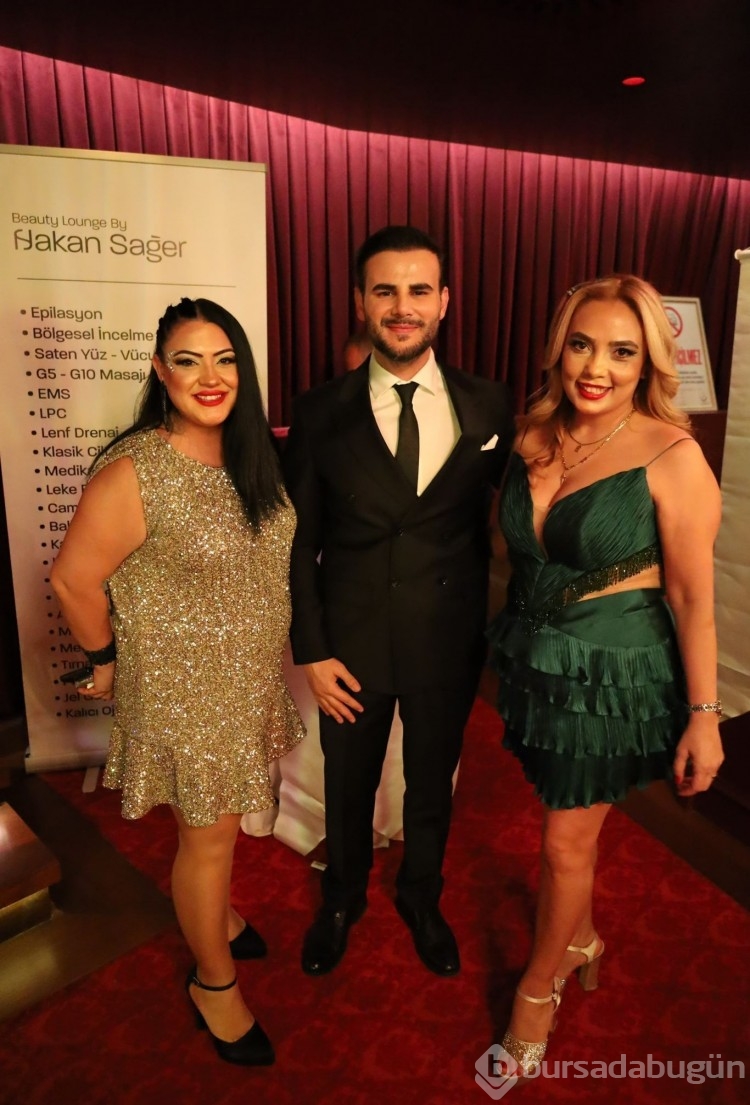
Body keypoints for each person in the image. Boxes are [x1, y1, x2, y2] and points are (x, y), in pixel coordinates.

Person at [50, 297, 305, 1066]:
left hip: (244, 678)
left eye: (225, 359)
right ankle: (213, 982)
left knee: (218, 829)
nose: (209, 376)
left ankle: (216, 919)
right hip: (187, 689)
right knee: (210, 837)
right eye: (189, 361)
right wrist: (104, 659)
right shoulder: (137, 470)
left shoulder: (250, 454)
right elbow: (72, 579)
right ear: (160, 372)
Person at [486, 275, 724, 1079]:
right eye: (583, 345)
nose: (597, 367)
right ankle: (582, 937)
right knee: (562, 818)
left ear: (648, 361)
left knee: (564, 841)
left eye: (623, 351)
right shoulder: (533, 434)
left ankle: (537, 991)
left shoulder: (673, 455)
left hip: (613, 675)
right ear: (560, 348)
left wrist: (704, 713)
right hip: (535, 663)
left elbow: (692, 598)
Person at [283, 225, 514, 977]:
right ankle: (342, 896)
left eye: (419, 290)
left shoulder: (490, 405)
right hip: (350, 644)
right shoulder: (320, 412)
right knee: (347, 784)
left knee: (432, 785)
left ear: (444, 301)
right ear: (361, 301)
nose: (402, 306)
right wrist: (312, 648)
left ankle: (422, 894)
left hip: (447, 640)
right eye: (385, 290)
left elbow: (512, 520)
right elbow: (297, 543)